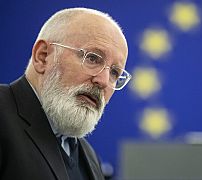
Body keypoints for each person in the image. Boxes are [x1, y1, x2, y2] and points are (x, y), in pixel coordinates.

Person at [0, 7, 131, 180]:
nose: (104, 81)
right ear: (43, 56)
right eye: (92, 58)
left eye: (114, 72)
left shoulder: (90, 158)